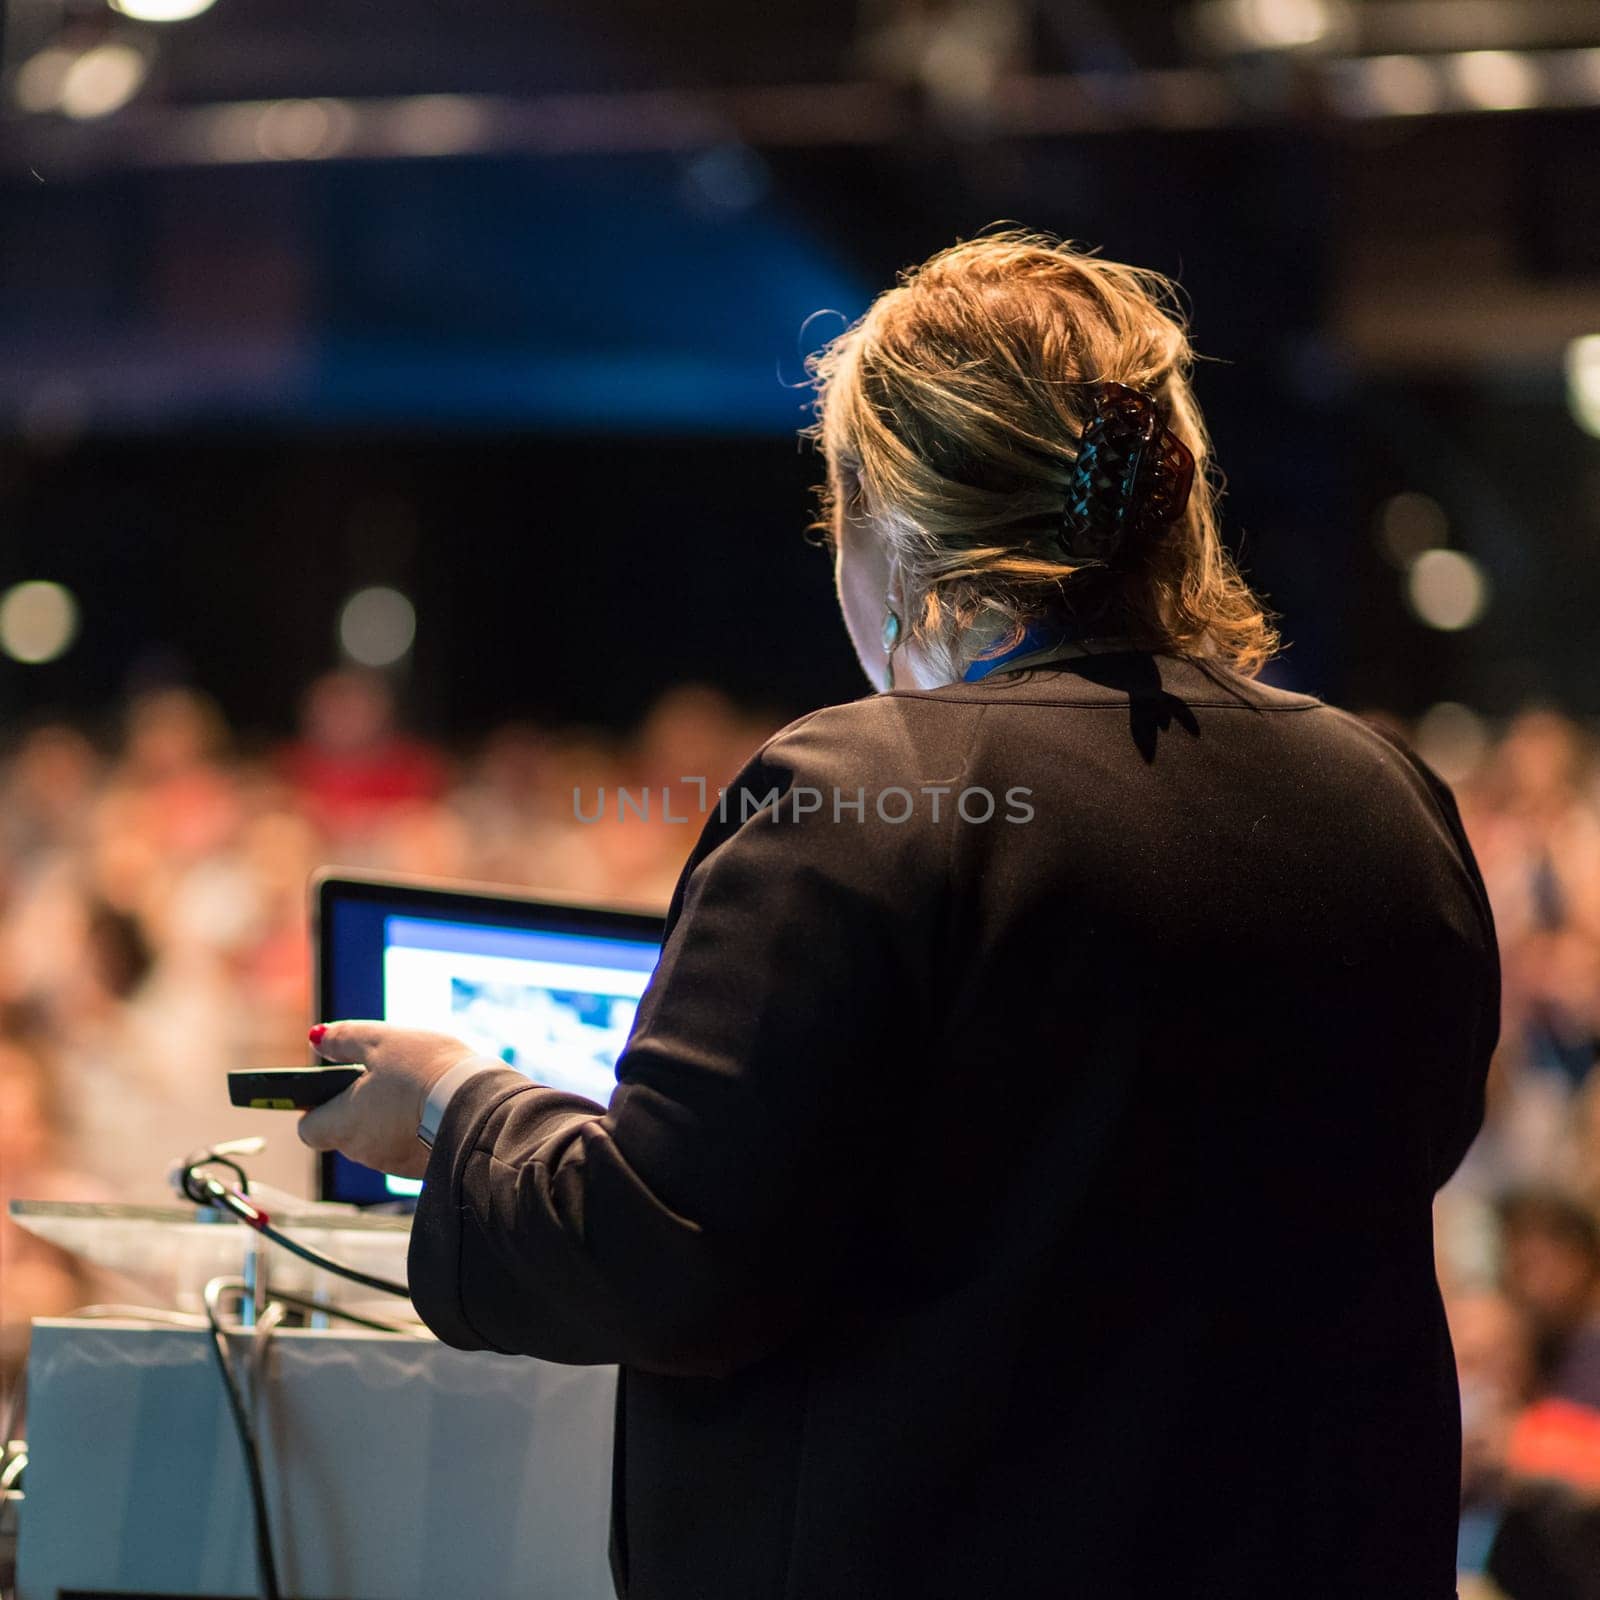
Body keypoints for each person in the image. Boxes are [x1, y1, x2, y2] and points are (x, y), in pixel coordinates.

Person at [299, 231, 1500, 1599]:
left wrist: (460, 1107)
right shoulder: (1384, 796)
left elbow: (669, 1256)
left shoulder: (865, 790)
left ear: (895, 527)